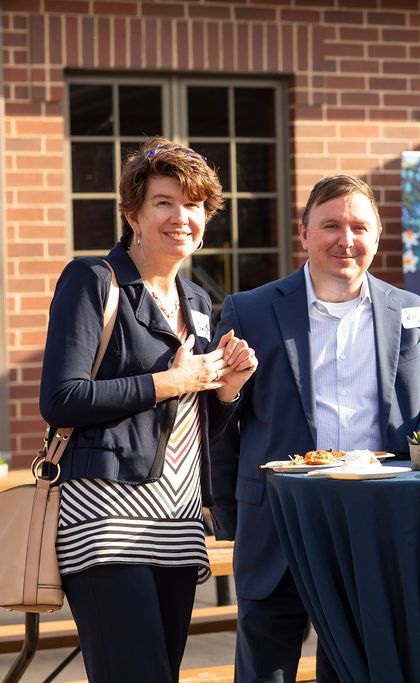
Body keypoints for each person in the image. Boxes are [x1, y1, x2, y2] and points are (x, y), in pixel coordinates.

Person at [211, 173, 420, 682]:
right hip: (280, 521)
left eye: (359, 227)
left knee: (357, 672)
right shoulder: (251, 310)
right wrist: (231, 516)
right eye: (330, 225)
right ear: (304, 233)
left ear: (378, 235)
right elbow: (217, 420)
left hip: (377, 524)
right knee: (264, 672)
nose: (345, 240)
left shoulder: (412, 312)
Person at [38, 137, 257, 682]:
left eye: (194, 205)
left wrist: (225, 390)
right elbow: (61, 398)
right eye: (164, 202)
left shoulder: (197, 301)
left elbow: (188, 425)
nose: (181, 216)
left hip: (177, 525)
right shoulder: (92, 281)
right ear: (133, 214)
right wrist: (171, 381)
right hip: (105, 522)